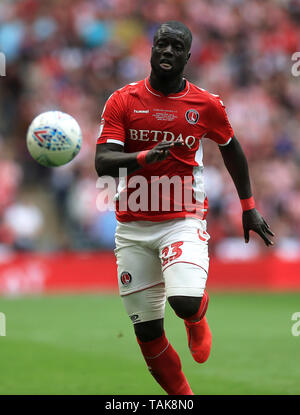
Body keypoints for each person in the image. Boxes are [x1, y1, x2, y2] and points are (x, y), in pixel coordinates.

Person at [95, 21, 275, 395]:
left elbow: (232, 150)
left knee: (183, 300)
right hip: (131, 226)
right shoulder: (122, 100)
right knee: (147, 330)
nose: (168, 52)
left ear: (187, 57)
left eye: (177, 47)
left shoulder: (205, 104)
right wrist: (144, 157)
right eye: (162, 44)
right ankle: (183, 399)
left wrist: (249, 207)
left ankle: (196, 318)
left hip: (182, 218)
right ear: (151, 49)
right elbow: (103, 161)